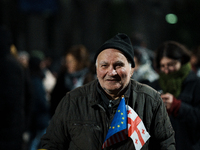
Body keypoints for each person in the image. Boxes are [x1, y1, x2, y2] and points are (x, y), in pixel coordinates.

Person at [41, 33, 175, 150]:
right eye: (104, 65)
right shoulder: (73, 101)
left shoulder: (151, 100)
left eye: (118, 65)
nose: (111, 72)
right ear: (96, 69)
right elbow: (51, 144)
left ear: (132, 69)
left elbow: (165, 144)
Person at [150, 41, 200, 150]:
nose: (166, 70)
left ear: (181, 60)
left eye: (171, 64)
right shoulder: (155, 85)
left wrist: (178, 106)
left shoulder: (195, 83)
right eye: (163, 66)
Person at [50, 44, 96, 116]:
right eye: (66, 61)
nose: (67, 64)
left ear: (79, 62)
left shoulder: (89, 78)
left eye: (70, 61)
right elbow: (54, 102)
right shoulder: (62, 79)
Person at [0, 25, 25, 150]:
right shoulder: (13, 64)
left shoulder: (8, 65)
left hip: (8, 130)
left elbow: (9, 100)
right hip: (12, 129)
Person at [28, 55, 50, 150]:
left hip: (34, 117)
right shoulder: (36, 80)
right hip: (40, 118)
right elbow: (41, 100)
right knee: (37, 142)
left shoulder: (30, 78)